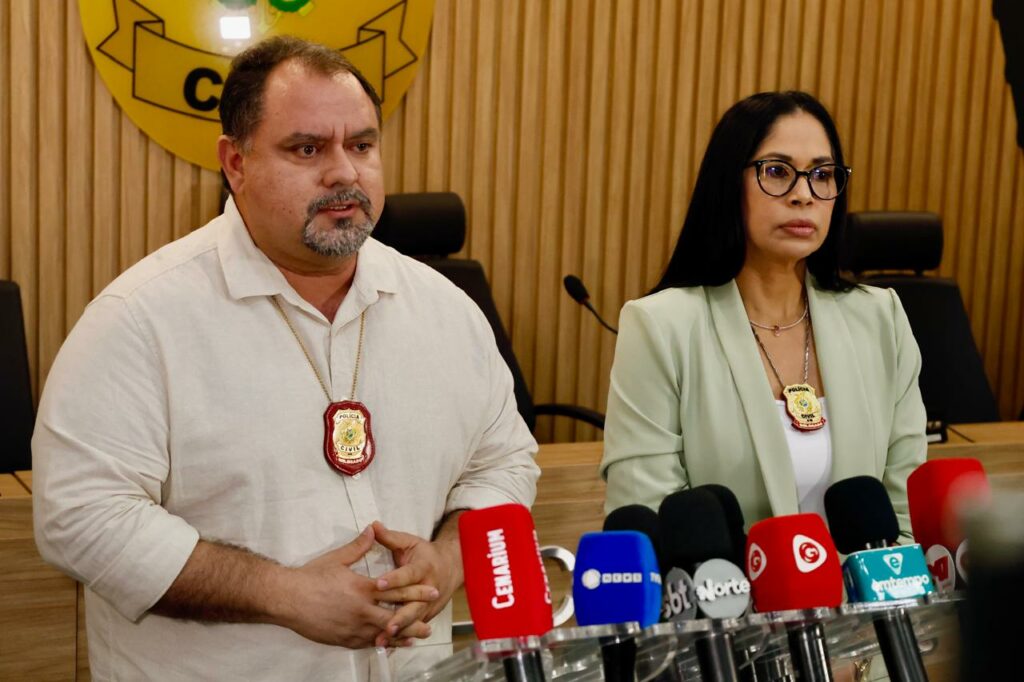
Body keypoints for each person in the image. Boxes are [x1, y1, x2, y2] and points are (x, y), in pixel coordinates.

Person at [32, 36, 540, 680]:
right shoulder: (141, 319)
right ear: (235, 162)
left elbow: (504, 461)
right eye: (307, 149)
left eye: (361, 145)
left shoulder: (447, 311)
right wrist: (281, 594)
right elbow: (80, 517)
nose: (344, 173)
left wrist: (450, 559)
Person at [600, 91, 926, 535]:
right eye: (777, 171)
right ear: (727, 184)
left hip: (862, 600)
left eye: (822, 175)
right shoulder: (661, 327)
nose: (803, 195)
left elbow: (906, 510)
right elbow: (651, 518)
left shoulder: (881, 318)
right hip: (728, 599)